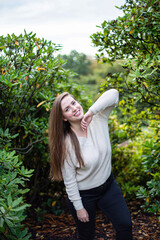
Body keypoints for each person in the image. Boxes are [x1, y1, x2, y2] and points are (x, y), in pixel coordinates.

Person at [49, 89, 133, 240]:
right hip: (84, 195)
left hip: (108, 186)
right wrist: (79, 208)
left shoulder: (97, 119)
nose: (74, 108)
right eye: (67, 109)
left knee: (125, 225)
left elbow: (113, 94)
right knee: (87, 235)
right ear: (63, 118)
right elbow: (69, 180)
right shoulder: (66, 144)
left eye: (74, 103)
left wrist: (91, 112)